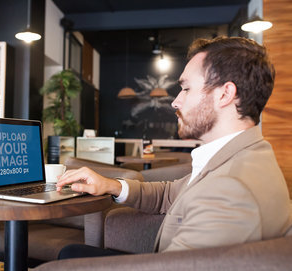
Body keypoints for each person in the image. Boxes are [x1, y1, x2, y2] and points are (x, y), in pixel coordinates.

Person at [56, 36, 292, 258]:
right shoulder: (242, 155)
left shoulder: (231, 188)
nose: (175, 101)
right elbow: (170, 194)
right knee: (70, 252)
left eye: (187, 88)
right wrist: (112, 186)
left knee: (65, 260)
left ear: (225, 94)